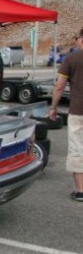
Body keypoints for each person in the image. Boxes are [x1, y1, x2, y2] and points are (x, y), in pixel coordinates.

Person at [49, 28, 83, 202]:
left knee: (78, 149)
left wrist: (53, 107)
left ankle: (80, 190)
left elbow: (59, 87)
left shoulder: (71, 58)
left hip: (78, 112)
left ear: (80, 39)